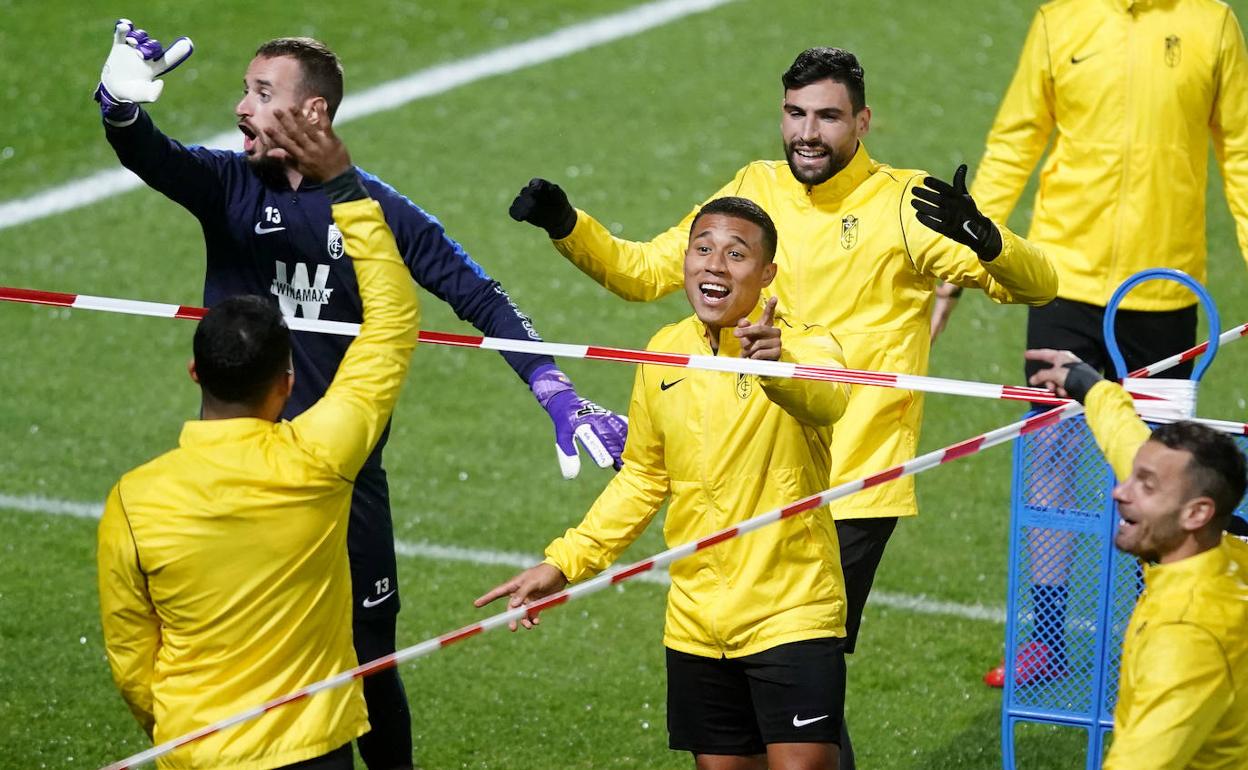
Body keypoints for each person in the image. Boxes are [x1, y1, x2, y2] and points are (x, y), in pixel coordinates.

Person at [93, 21, 627, 767]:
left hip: (344, 477)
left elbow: (480, 296)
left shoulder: (378, 209)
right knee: (234, 646)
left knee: (371, 658)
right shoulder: (226, 184)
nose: (241, 108)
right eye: (245, 91)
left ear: (313, 112)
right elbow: (147, 153)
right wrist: (119, 107)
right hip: (246, 479)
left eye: (262, 93)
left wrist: (555, 390)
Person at [507, 46, 1058, 764]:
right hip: (754, 471)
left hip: (852, 481)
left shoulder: (906, 204)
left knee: (799, 671)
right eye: (795, 114)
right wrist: (566, 224)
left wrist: (987, 240)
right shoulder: (754, 191)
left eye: (827, 117)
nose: (807, 133)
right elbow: (645, 273)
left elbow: (1037, 286)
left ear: (862, 121)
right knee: (781, 697)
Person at [478, 197, 851, 770]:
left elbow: (827, 399)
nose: (715, 265)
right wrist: (564, 564)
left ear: (768, 273)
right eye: (703, 249)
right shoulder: (663, 353)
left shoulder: (806, 344)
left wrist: (777, 368)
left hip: (791, 613)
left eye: (736, 255)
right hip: (695, 622)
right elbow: (644, 477)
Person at [98, 105, 417, 768]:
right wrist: (345, 188)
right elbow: (391, 321)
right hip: (314, 747)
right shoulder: (324, 458)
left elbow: (131, 655)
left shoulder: (133, 501)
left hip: (197, 752)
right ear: (287, 381)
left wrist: (176, 728)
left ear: (195, 372)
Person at [968, 0, 1248, 688]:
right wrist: (967, 251)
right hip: (1060, 282)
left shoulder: (1213, 23)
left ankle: (1155, 634)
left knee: (1165, 471)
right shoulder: (1060, 18)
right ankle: (1046, 636)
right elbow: (1016, 138)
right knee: (1051, 458)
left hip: (1165, 290)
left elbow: (1242, 151)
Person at [1025, 349, 1248, 770]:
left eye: (1145, 485)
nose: (1119, 491)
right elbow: (1128, 444)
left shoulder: (1188, 636)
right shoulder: (1207, 549)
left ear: (1196, 514)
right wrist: (1091, 387)